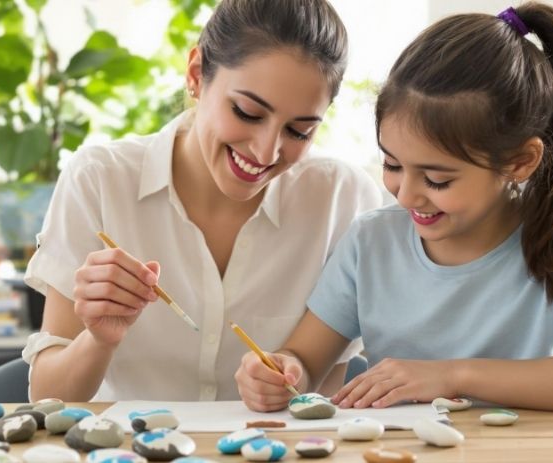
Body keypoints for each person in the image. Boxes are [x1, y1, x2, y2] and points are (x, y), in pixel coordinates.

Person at [234, 2, 553, 414]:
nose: (406, 194)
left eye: (437, 180)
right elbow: (304, 359)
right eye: (392, 164)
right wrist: (281, 370)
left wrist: (452, 375)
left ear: (520, 162)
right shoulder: (371, 242)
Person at [23, 0, 382, 402]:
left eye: (299, 131)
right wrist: (99, 340)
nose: (266, 153)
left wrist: (291, 380)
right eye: (247, 112)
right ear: (196, 75)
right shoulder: (100, 180)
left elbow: (319, 401)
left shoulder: (343, 198)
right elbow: (47, 397)